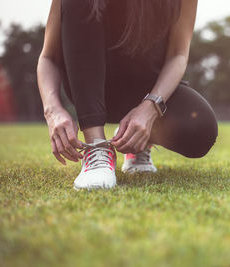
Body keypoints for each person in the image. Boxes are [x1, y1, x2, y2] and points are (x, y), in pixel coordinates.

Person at [37, 0, 218, 190]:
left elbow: (178, 54)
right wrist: (53, 110)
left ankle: (137, 141)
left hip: (149, 91)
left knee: (200, 128)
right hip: (90, 89)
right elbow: (49, 57)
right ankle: (96, 147)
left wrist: (151, 108)